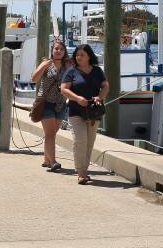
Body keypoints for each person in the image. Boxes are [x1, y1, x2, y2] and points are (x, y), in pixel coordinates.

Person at [60, 44, 109, 185]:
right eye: (77, 54)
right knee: (80, 140)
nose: (78, 57)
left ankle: (84, 170)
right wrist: (77, 98)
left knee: (89, 142)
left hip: (93, 112)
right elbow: (63, 89)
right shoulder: (71, 72)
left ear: (89, 56)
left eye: (82, 54)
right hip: (76, 111)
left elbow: (105, 86)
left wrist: (100, 97)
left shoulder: (97, 71)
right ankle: (81, 172)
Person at [31, 38, 71, 172]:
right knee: (49, 134)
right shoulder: (46, 63)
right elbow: (34, 79)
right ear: (52, 51)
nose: (58, 51)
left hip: (60, 104)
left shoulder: (68, 66)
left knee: (52, 133)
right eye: (56, 49)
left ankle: (46, 159)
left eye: (61, 49)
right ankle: (53, 162)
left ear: (64, 52)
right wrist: (43, 66)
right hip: (46, 102)